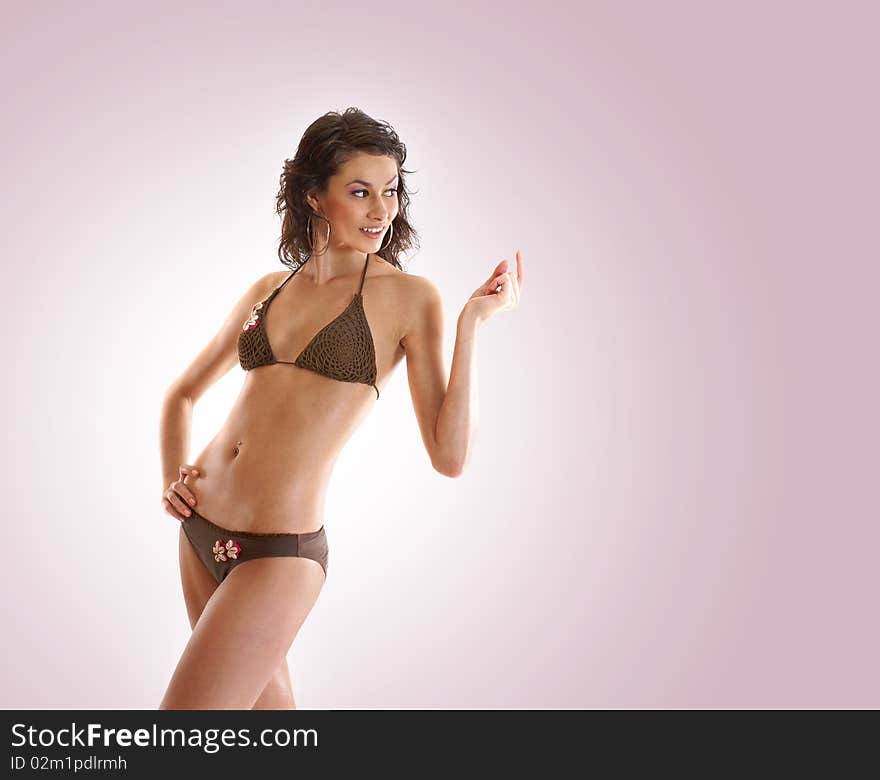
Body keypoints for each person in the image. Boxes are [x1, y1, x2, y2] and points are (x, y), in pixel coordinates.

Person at [157, 108, 524, 709]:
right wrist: (173, 479)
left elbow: (449, 456)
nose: (382, 209)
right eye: (360, 192)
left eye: (391, 190)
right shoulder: (269, 287)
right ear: (314, 197)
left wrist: (471, 324)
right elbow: (182, 393)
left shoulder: (409, 298)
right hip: (199, 529)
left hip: (279, 553)